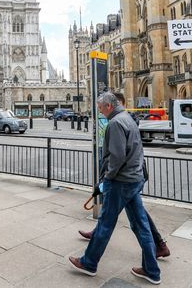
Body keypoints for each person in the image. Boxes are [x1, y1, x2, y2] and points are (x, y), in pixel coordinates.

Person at [69, 92, 161, 285]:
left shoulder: (115, 123)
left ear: (109, 106)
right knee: (141, 226)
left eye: (101, 108)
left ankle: (89, 263)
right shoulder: (127, 118)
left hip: (121, 181)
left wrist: (108, 178)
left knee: (105, 224)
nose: (100, 112)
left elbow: (117, 157)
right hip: (133, 179)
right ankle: (152, 270)